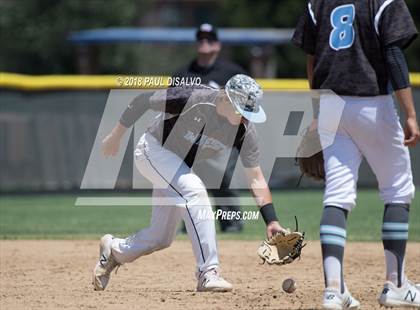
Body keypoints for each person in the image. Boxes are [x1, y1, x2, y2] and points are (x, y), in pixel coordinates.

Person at [92, 74, 286, 292]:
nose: (246, 118)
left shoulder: (244, 131)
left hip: (178, 166)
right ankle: (208, 273)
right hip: (152, 150)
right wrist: (115, 136)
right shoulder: (194, 98)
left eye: (250, 113)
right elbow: (142, 100)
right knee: (196, 191)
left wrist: (272, 221)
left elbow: (256, 178)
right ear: (226, 99)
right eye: (243, 111)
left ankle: (114, 250)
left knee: (161, 237)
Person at [293, 0, 419, 309]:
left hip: (331, 106)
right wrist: (411, 113)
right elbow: (393, 54)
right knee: (397, 189)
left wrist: (317, 111)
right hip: (372, 103)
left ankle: (333, 291)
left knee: (336, 195)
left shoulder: (317, 3)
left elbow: (312, 59)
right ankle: (396, 284)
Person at [173, 23, 248, 233]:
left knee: (222, 178)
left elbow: (248, 103)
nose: (204, 42)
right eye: (201, 39)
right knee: (190, 183)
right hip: (191, 139)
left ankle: (231, 223)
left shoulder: (232, 73)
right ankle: (190, 224)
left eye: (209, 39)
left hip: (224, 137)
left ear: (218, 44)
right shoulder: (183, 73)